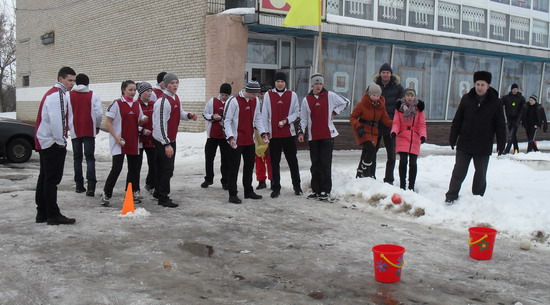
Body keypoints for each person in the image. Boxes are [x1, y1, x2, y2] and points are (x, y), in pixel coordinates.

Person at [445, 71, 506, 204]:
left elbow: (500, 125)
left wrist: (502, 144)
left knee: (480, 174)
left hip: (483, 144)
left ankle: (477, 199)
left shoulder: (496, 102)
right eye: (477, 84)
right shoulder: (467, 98)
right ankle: (451, 196)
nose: (479, 87)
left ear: (488, 86)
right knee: (459, 171)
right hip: (465, 142)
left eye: (482, 85)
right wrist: (452, 137)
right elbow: (458, 120)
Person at [34, 66, 77, 225]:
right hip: (51, 142)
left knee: (45, 178)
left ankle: (42, 212)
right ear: (61, 79)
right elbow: (57, 121)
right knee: (51, 180)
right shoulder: (57, 95)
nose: (72, 83)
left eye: (74, 80)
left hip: (46, 141)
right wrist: (61, 141)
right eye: (69, 80)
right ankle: (52, 214)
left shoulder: (54, 94)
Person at [298, 73, 350, 201]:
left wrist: (334, 112)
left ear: (323, 85)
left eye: (320, 83)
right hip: (313, 136)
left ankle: (325, 190)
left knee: (325, 163)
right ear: (312, 85)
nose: (318, 86)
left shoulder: (330, 96)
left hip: (327, 135)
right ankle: (316, 190)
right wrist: (300, 132)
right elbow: (303, 118)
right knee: (315, 164)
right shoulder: (306, 100)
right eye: (316, 83)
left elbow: (345, 102)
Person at [152, 73, 198, 207]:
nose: (175, 85)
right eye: (172, 83)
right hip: (162, 140)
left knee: (163, 168)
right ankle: (163, 197)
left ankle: (158, 192)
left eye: (177, 82)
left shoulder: (175, 98)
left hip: (170, 139)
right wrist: (166, 144)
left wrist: (189, 115)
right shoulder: (163, 101)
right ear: (166, 85)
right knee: (167, 169)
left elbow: (179, 114)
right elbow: (160, 124)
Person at [100, 80, 148, 207]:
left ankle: (131, 193)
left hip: (133, 141)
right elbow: (108, 123)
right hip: (119, 142)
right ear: (123, 90)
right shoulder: (116, 104)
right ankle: (106, 194)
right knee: (116, 168)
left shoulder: (137, 105)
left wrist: (143, 120)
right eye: (130, 90)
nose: (133, 92)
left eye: (134, 90)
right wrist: (116, 138)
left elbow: (138, 122)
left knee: (134, 169)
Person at [223, 80, 269, 204]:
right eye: (254, 94)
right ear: (248, 91)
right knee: (234, 168)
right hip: (236, 141)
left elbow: (258, 118)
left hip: (249, 140)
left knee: (249, 167)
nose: (256, 96)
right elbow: (226, 121)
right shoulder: (233, 101)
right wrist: (230, 137)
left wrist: (263, 132)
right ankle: (233, 194)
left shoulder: (255, 101)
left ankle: (248, 191)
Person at [262, 72, 302, 198]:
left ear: (285, 83)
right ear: (275, 83)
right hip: (274, 135)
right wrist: (265, 132)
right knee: (274, 162)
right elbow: (264, 115)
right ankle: (275, 187)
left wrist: (287, 120)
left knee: (292, 161)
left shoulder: (292, 95)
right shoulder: (269, 95)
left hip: (288, 134)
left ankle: (297, 186)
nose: (280, 84)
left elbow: (297, 112)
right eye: (278, 81)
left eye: (282, 81)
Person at [67, 73, 103, 197]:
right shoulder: (93, 95)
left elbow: (66, 112)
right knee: (89, 158)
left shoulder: (69, 95)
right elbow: (98, 114)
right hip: (89, 129)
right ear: (88, 83)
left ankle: (79, 185)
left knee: (77, 158)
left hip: (75, 129)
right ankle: (91, 187)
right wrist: (97, 126)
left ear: (76, 83)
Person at [350, 83, 392, 179]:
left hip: (374, 132)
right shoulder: (362, 105)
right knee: (371, 149)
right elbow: (353, 117)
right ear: (369, 94)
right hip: (362, 130)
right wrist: (358, 126)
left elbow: (386, 120)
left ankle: (359, 173)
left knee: (366, 152)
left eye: (378, 96)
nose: (376, 98)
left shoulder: (381, 106)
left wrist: (397, 123)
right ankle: (365, 170)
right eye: (374, 95)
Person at [371, 63, 404, 184]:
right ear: (380, 74)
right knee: (372, 152)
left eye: (387, 72)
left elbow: (402, 105)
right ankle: (370, 175)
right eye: (383, 72)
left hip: (391, 125)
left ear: (391, 74)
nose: (385, 75)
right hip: (375, 125)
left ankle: (389, 179)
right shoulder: (374, 86)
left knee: (391, 155)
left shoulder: (398, 88)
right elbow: (366, 101)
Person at [390, 88, 427, 191]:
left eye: (412, 95)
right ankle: (402, 184)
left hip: (414, 137)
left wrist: (422, 135)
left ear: (414, 97)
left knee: (413, 163)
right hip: (402, 136)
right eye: (408, 95)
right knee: (403, 161)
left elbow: (422, 124)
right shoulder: (399, 109)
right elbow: (396, 122)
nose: (410, 97)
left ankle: (411, 186)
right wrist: (394, 132)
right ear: (405, 97)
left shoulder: (419, 109)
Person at [201, 83, 232, 190]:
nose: (224, 97)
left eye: (226, 95)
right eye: (222, 94)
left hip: (225, 137)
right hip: (212, 135)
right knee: (209, 158)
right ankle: (208, 179)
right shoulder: (212, 101)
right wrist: (212, 116)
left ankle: (225, 180)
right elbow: (205, 113)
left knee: (226, 160)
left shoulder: (232, 102)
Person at [135, 82, 156, 195]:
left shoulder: (154, 104)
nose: (150, 93)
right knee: (137, 166)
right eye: (147, 91)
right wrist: (141, 130)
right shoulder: (136, 104)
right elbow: (131, 123)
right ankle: (135, 189)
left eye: (150, 90)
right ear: (141, 93)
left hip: (151, 139)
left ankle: (151, 184)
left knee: (153, 163)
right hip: (138, 140)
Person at [254, 84, 272, 191]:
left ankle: (272, 179)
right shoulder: (255, 102)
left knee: (270, 158)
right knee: (259, 158)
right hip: (257, 133)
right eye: (261, 93)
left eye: (266, 93)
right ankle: (261, 180)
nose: (263, 96)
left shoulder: (271, 102)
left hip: (269, 132)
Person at [502, 83, 526, 154]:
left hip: (517, 119)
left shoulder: (521, 98)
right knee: (513, 135)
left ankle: (507, 150)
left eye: (516, 89)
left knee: (511, 135)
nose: (515, 91)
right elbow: (499, 103)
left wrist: (521, 118)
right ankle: (516, 150)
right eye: (513, 89)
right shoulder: (506, 97)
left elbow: (524, 108)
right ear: (511, 89)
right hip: (509, 118)